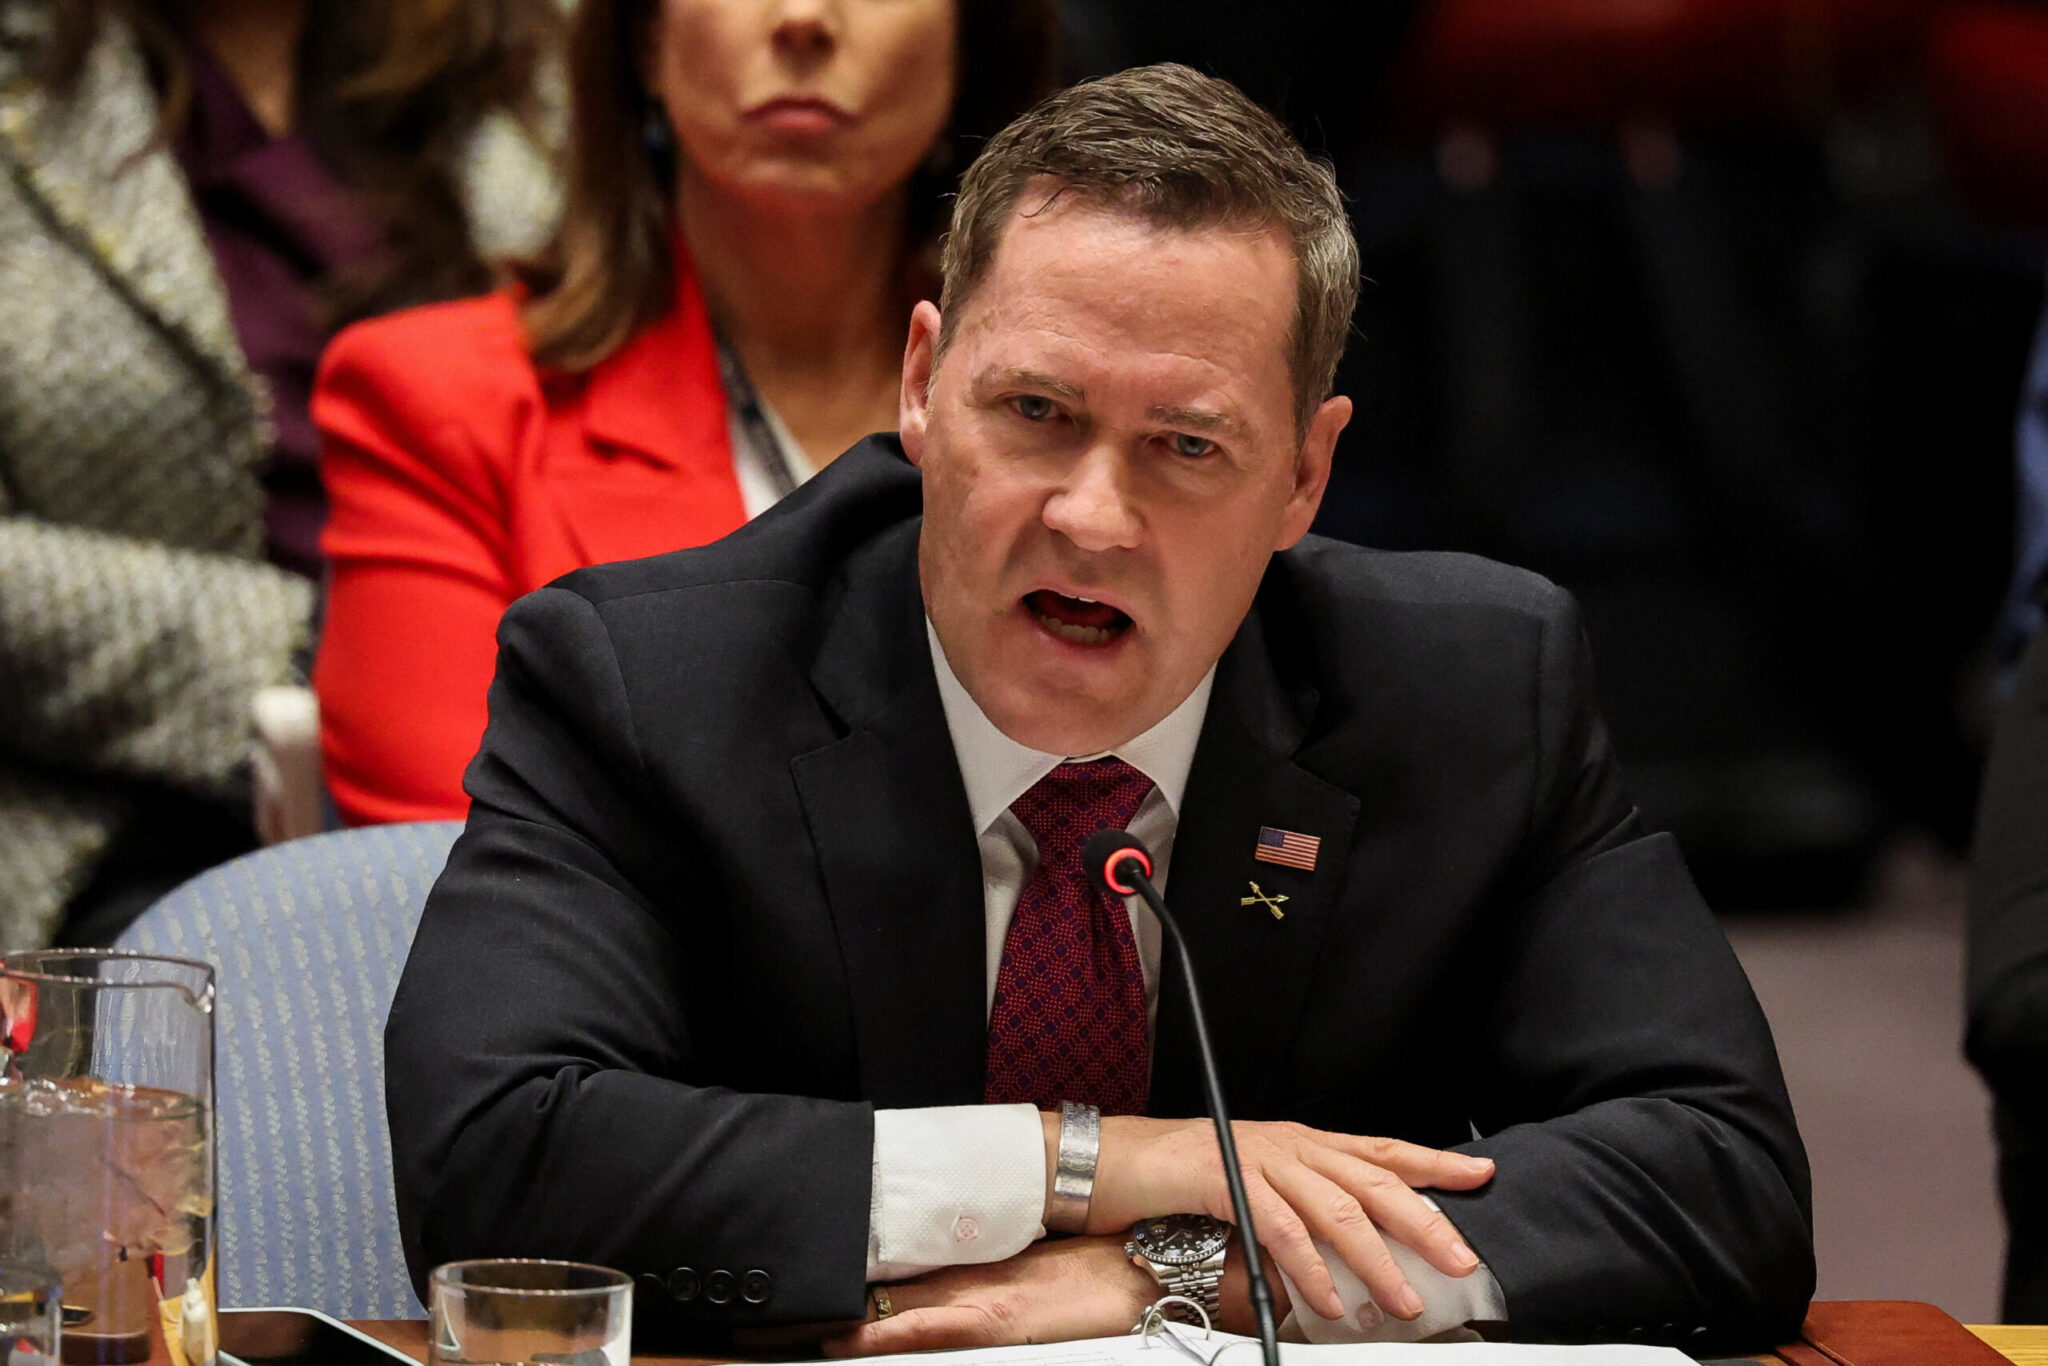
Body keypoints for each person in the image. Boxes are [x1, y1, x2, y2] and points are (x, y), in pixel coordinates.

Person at [385, 64, 1815, 1353]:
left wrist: (1176, 1271)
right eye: (1036, 413)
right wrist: (1102, 1164)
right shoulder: (651, 684)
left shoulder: (1471, 689)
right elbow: (494, 1158)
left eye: (1185, 446)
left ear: (1304, 479)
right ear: (922, 384)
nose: (1091, 516)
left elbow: (1721, 1172)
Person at [309, 0, 1056, 827]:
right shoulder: (437, 402)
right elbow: (452, 863)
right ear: (647, 39)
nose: (803, 17)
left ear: (967, 49)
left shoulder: (1083, 407)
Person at [0, 0, 558, 948]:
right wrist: (325, 646)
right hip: (124, 820)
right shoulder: (34, 79)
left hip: (514, 734)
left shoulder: (512, 63)